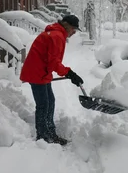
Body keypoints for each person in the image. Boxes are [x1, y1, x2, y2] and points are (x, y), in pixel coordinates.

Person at [20, 15, 84, 145]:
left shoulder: (56, 34)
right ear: (66, 25)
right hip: (37, 73)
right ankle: (43, 136)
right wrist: (70, 73)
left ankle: (50, 132)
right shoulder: (57, 36)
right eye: (73, 29)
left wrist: (68, 73)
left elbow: (51, 62)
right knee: (43, 105)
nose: (74, 32)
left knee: (50, 101)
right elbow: (54, 62)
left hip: (41, 72)